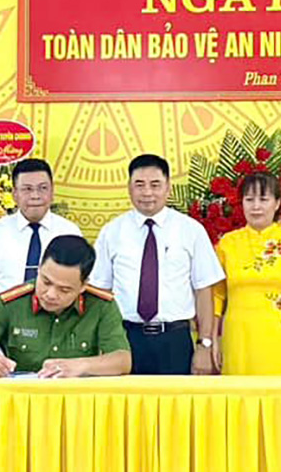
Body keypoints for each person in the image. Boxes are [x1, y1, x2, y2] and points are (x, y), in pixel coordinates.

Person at [91, 154, 225, 375]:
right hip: (124, 339)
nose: (147, 192)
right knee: (126, 398)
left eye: (155, 185)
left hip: (175, 339)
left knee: (177, 398)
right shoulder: (112, 232)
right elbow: (100, 291)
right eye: (139, 185)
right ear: (129, 188)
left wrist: (205, 344)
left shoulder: (191, 230)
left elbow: (203, 291)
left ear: (168, 187)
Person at [0, 236, 131, 378]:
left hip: (78, 403)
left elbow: (122, 360)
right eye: (46, 281)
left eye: (64, 289)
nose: (51, 294)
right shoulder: (10, 304)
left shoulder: (102, 306)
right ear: (39, 269)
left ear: (83, 286)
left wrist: (81, 366)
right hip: (22, 401)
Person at [213, 172, 281, 380]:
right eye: (249, 199)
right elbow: (216, 297)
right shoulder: (227, 244)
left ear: (277, 203)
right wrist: (212, 340)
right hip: (239, 337)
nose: (256, 207)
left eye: (263, 199)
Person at [0, 158, 82, 327]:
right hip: (5, 326)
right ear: (15, 194)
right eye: (27, 189)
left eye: (43, 188)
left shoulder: (69, 232)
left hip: (56, 327)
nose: (35, 196)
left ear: (52, 192)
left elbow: (80, 288)